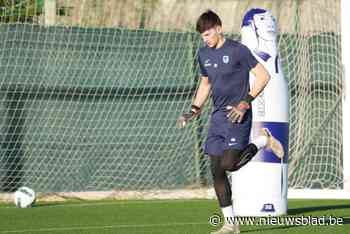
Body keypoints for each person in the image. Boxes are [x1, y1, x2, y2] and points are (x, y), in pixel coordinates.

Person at [178, 10, 284, 234]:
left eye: (207, 34)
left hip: (238, 115)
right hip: (217, 118)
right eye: (202, 36)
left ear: (218, 28)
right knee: (216, 171)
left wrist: (245, 102)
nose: (205, 39)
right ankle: (230, 224)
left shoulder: (238, 50)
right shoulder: (203, 54)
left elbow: (264, 75)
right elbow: (205, 84)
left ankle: (264, 141)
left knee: (229, 164)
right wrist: (194, 110)